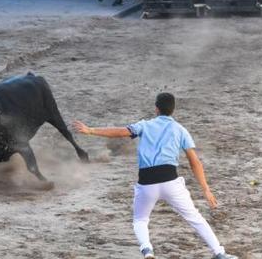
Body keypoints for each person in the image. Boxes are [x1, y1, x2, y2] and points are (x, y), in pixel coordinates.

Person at [72, 92, 238, 259]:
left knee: (140, 220)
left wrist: (90, 130)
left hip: (147, 183)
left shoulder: (145, 125)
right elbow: (195, 162)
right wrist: (206, 189)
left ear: (156, 109)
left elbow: (121, 132)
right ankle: (219, 253)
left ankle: (147, 250)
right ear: (173, 109)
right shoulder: (180, 130)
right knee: (195, 218)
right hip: (171, 182)